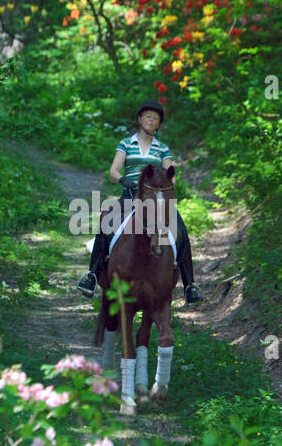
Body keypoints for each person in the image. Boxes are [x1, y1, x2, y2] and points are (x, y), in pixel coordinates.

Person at [77, 101, 203, 304]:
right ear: (139, 119)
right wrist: (123, 179)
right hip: (130, 196)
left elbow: (171, 174)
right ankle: (92, 275)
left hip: (155, 198)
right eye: (147, 116)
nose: (151, 120)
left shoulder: (162, 149)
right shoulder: (126, 144)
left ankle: (190, 285)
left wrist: (165, 185)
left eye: (155, 118)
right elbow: (113, 171)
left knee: (181, 229)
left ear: (158, 124)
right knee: (106, 225)